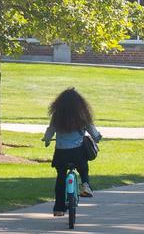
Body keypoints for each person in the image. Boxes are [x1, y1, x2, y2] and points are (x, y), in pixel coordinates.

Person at [42, 88, 102, 216]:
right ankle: (85, 185)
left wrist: (46, 140)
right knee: (83, 168)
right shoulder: (82, 115)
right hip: (77, 152)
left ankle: (59, 208)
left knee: (60, 178)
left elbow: (50, 130)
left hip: (61, 153)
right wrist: (97, 137)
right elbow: (92, 130)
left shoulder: (57, 115)